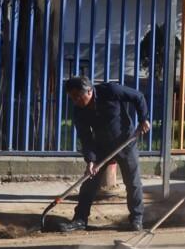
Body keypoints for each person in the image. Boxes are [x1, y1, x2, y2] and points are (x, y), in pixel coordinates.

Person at [58, 76, 151, 232]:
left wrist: (143, 119)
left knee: (132, 182)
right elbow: (85, 138)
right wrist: (91, 161)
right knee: (89, 181)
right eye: (72, 98)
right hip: (102, 146)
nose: (75, 101)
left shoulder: (110, 91)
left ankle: (136, 219)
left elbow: (138, 97)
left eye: (77, 97)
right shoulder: (78, 111)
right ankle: (80, 219)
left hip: (125, 141)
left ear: (88, 91)